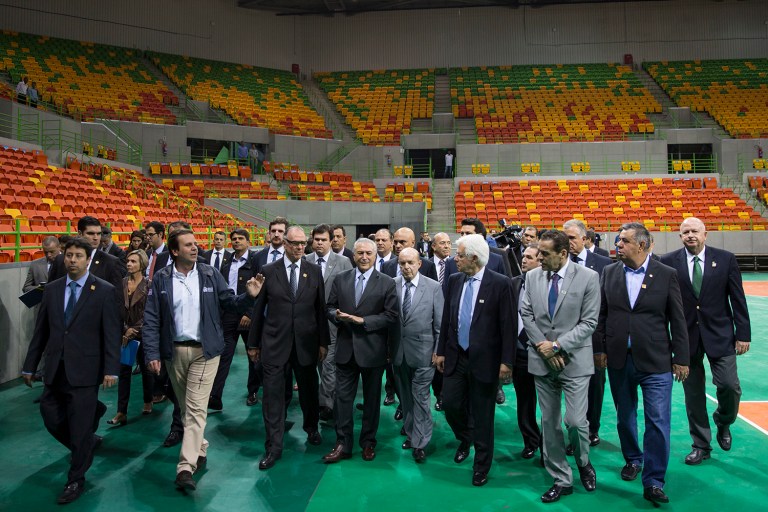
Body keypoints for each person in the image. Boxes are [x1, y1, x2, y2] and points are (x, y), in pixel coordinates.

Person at [143, 229, 262, 491]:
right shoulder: (162, 279)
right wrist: (152, 353)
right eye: (188, 245)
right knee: (186, 407)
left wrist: (248, 297)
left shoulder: (209, 273)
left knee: (196, 407)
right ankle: (200, 445)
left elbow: (229, 303)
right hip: (174, 352)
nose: (195, 248)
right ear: (174, 251)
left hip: (206, 352)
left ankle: (186, 466)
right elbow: (151, 318)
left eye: (196, 244)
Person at [595, 222, 689, 505]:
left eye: (623, 241)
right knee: (625, 417)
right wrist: (599, 348)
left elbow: (678, 318)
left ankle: (654, 480)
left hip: (657, 361)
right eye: (617, 241)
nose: (617, 245)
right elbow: (601, 314)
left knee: (658, 421)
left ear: (643, 245)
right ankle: (633, 459)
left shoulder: (666, 274)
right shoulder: (609, 272)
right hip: (619, 360)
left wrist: (681, 358)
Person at [21, 237, 121, 504]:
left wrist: (111, 368)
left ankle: (75, 478)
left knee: (78, 427)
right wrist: (30, 365)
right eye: (69, 256)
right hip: (55, 368)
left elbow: (111, 333)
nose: (73, 260)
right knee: (50, 414)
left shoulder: (104, 290)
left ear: (89, 260)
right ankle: (86, 443)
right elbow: (41, 331)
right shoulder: (52, 289)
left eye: (78, 256)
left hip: (86, 370)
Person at [660, 217, 750, 465]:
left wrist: (743, 334)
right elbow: (664, 306)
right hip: (685, 338)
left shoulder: (725, 259)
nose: (690, 235)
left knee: (730, 386)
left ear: (705, 234)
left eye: (695, 231)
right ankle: (701, 444)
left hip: (720, 334)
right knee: (694, 394)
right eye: (685, 231)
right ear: (680, 236)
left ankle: (723, 420)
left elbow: (737, 299)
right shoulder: (668, 262)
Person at [521, 230, 600, 503]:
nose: (538, 257)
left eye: (544, 253)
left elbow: (589, 322)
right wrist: (544, 346)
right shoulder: (532, 277)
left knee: (576, 423)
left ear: (563, 254)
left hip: (575, 361)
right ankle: (561, 478)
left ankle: (583, 461)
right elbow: (527, 313)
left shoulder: (589, 277)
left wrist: (557, 346)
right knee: (550, 423)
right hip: (542, 363)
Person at [435, 233, 515, 487]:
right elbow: (448, 319)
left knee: (483, 415)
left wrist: (507, 362)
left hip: (486, 361)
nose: (454, 259)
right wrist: (441, 351)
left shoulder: (501, 284)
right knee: (450, 404)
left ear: (474, 258)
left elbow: (508, 326)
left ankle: (481, 464)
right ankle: (466, 437)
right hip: (456, 356)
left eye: (459, 255)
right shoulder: (455, 280)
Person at [247, 226, 329, 470]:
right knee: (272, 397)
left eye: (304, 243)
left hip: (306, 344)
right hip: (274, 343)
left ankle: (311, 428)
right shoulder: (268, 271)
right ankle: (273, 446)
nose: (300, 247)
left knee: (309, 392)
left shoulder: (314, 271)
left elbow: (320, 309)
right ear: (284, 243)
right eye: (295, 243)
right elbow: (258, 310)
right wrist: (253, 343)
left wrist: (324, 342)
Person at [322, 238, 398, 464]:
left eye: (368, 253)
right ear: (353, 256)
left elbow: (391, 316)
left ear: (375, 256)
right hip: (346, 350)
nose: (364, 257)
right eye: (360, 253)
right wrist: (336, 315)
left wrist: (362, 320)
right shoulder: (341, 279)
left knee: (372, 401)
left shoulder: (386, 282)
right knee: (342, 401)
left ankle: (368, 443)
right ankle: (343, 444)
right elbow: (328, 307)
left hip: (373, 352)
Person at [391, 248, 444, 463]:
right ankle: (412, 432)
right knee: (405, 397)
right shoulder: (391, 285)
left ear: (419, 263)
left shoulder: (434, 287)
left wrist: (439, 351)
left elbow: (440, 324)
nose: (406, 267)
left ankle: (421, 442)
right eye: (402, 263)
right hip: (398, 354)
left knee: (421, 397)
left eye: (410, 262)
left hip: (424, 353)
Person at [563, 219, 612, 449]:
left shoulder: (604, 264)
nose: (568, 242)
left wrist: (602, 346)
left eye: (572, 238)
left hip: (593, 339)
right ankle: (574, 430)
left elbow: (607, 306)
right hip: (563, 337)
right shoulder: (557, 262)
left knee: (595, 386)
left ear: (585, 238)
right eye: (566, 238)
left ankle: (591, 428)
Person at [379, 226, 438, 414]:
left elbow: (434, 306)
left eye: (402, 242)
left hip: (421, 343)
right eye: (395, 241)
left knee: (419, 392)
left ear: (414, 243)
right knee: (399, 381)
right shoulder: (388, 266)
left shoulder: (428, 266)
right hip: (397, 342)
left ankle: (416, 422)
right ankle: (401, 407)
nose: (397, 245)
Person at [305, 223, 353, 422]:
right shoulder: (304, 260)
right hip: (307, 324)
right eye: (316, 239)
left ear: (331, 240)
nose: (320, 243)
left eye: (324, 239)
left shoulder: (343, 262)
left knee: (329, 366)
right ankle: (317, 401)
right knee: (311, 365)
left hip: (333, 324)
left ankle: (328, 405)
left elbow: (350, 292)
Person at [209, 229, 259, 411]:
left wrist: (250, 314)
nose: (237, 241)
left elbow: (259, 289)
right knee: (224, 355)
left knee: (252, 354)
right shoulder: (227, 262)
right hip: (229, 313)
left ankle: (253, 391)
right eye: (234, 239)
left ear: (248, 241)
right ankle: (216, 395)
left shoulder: (255, 261)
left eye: (240, 239)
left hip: (247, 315)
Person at [109, 249, 154, 426]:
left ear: (142, 264)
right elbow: (116, 309)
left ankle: (148, 400)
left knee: (146, 369)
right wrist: (125, 329)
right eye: (128, 261)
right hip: (125, 335)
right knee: (124, 371)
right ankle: (121, 411)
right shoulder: (120, 284)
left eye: (133, 261)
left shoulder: (149, 285)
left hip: (143, 334)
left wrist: (134, 330)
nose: (129, 264)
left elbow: (150, 312)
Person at [510, 243, 542, 461]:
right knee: (524, 401)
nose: (524, 260)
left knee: (549, 407)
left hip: (544, 352)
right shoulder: (513, 284)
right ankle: (531, 440)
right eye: (523, 256)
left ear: (541, 261)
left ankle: (549, 448)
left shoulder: (548, 285)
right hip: (520, 353)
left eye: (530, 257)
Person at [48, 216, 125, 297]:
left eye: (98, 234)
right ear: (80, 233)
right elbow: (50, 292)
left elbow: (117, 298)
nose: (96, 238)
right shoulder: (60, 260)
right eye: (91, 233)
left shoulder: (111, 262)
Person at [430, 231, 453, 410]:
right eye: (442, 243)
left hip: (451, 320)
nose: (446, 246)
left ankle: (444, 395)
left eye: (448, 243)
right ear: (433, 246)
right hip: (430, 319)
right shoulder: (425, 264)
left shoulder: (457, 263)